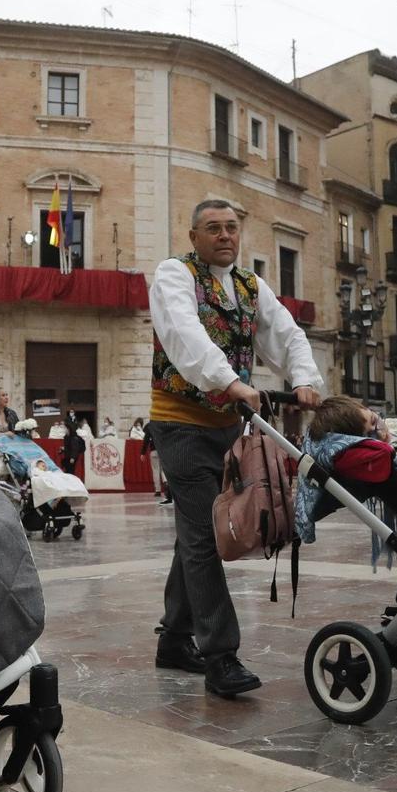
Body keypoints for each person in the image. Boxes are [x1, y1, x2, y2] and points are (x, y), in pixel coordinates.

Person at [148, 198, 321, 696]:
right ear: (194, 235)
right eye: (214, 228)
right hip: (181, 425)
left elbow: (285, 333)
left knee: (193, 534)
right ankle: (220, 655)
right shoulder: (174, 275)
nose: (225, 235)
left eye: (231, 227)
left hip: (229, 427)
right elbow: (185, 336)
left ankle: (173, 640)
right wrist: (231, 382)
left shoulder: (250, 285)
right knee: (206, 536)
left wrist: (304, 378)